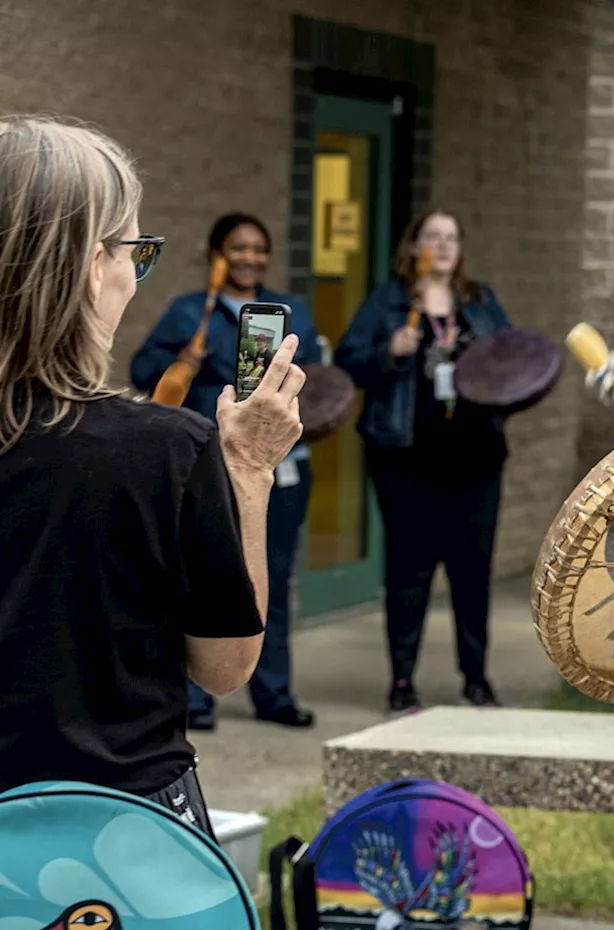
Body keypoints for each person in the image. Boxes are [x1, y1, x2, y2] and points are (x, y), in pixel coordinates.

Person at [0, 116, 305, 835]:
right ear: (89, 267)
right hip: (118, 841)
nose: (134, 279)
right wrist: (250, 468)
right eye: (135, 253)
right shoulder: (164, 451)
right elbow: (226, 665)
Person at [131, 213, 323, 732]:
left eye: (259, 249)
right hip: (203, 466)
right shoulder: (190, 313)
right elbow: (142, 372)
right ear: (218, 253)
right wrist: (187, 360)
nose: (250, 258)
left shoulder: (291, 312)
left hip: (279, 468)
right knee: (199, 577)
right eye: (238, 248)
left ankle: (274, 693)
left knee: (272, 579)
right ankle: (197, 699)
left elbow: (316, 382)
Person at [336, 208, 511, 713]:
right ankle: (401, 682)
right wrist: (390, 350)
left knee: (472, 573)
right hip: (406, 460)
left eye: (452, 237)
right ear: (414, 246)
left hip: (476, 460)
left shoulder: (480, 302)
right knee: (408, 574)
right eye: (432, 235)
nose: (443, 245)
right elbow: (350, 363)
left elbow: (512, 364)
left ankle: (477, 679)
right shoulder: (388, 304)